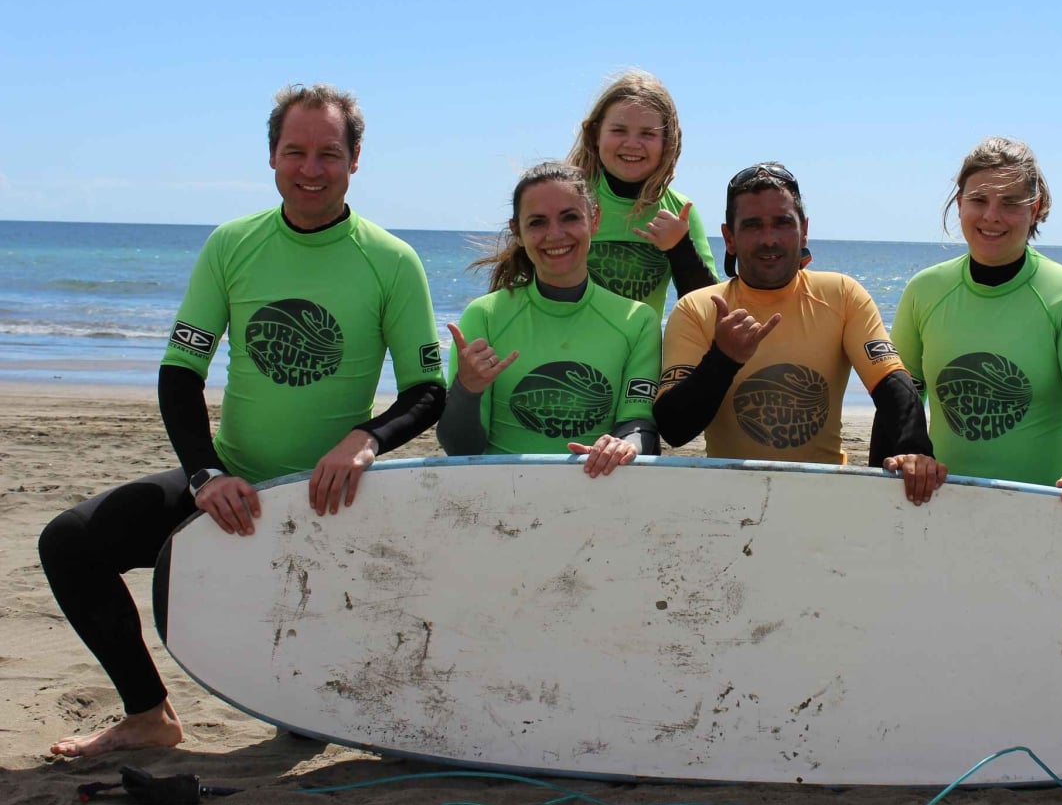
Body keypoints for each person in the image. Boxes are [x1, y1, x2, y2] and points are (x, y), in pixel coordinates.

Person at [38, 84, 447, 758]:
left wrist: (364, 439)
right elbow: (180, 372)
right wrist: (206, 472)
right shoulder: (233, 246)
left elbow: (427, 390)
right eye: (295, 152)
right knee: (69, 542)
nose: (311, 169)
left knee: (302, 726)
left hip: (331, 498)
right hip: (234, 484)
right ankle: (148, 714)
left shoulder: (392, 260)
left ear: (354, 160)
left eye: (328, 153)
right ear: (272, 157)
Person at [654, 162, 946, 504]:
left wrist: (913, 450)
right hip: (729, 502)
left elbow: (892, 384)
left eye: (783, 223)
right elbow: (673, 429)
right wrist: (723, 359)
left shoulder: (842, 294)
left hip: (822, 496)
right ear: (729, 237)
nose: (769, 239)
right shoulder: (698, 308)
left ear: (804, 230)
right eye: (752, 226)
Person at [890, 137, 1062, 510]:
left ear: (1036, 208)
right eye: (979, 200)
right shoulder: (925, 290)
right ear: (960, 202)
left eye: (1011, 203)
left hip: (1044, 506)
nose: (992, 216)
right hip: (940, 501)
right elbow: (902, 394)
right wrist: (910, 453)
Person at [436, 162, 661, 474]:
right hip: (502, 497)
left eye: (570, 217)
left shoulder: (636, 321)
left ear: (594, 221)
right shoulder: (485, 315)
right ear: (517, 231)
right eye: (537, 223)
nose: (555, 235)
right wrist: (467, 389)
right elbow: (461, 449)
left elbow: (638, 423)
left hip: (596, 491)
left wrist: (625, 446)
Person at [563, 70, 717, 316]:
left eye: (648, 134)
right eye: (619, 130)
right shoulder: (565, 201)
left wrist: (680, 248)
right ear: (595, 135)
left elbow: (709, 310)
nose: (632, 144)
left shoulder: (679, 212)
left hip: (641, 353)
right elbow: (520, 284)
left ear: (668, 142)